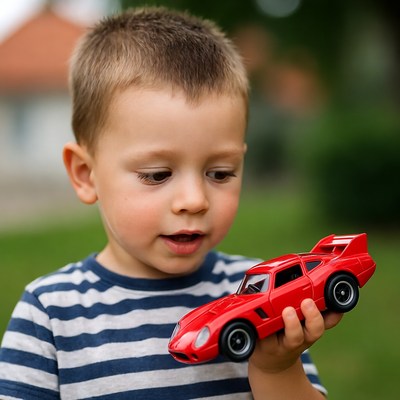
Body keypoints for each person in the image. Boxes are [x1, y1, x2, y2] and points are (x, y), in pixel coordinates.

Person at [0, 7, 342, 399]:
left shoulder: (257, 290)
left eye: (220, 173)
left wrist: (276, 369)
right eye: (158, 175)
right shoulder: (51, 314)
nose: (194, 201)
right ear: (85, 173)